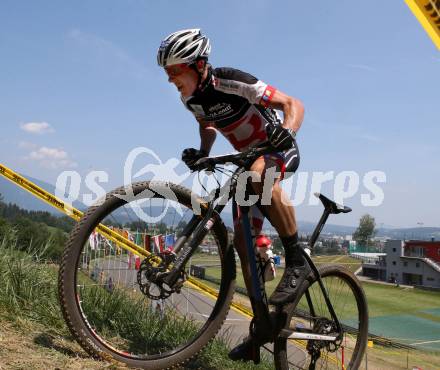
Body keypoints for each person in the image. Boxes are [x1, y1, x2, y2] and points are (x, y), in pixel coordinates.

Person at [157, 28, 310, 362]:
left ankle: (297, 259)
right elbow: (207, 124)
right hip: (245, 159)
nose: (170, 80)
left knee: (259, 175)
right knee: (242, 243)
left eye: (174, 72)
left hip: (276, 149)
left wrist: (287, 131)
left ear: (197, 65)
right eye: (166, 74)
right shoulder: (191, 99)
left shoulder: (231, 80)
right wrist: (202, 151)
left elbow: (291, 103)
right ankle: (263, 329)